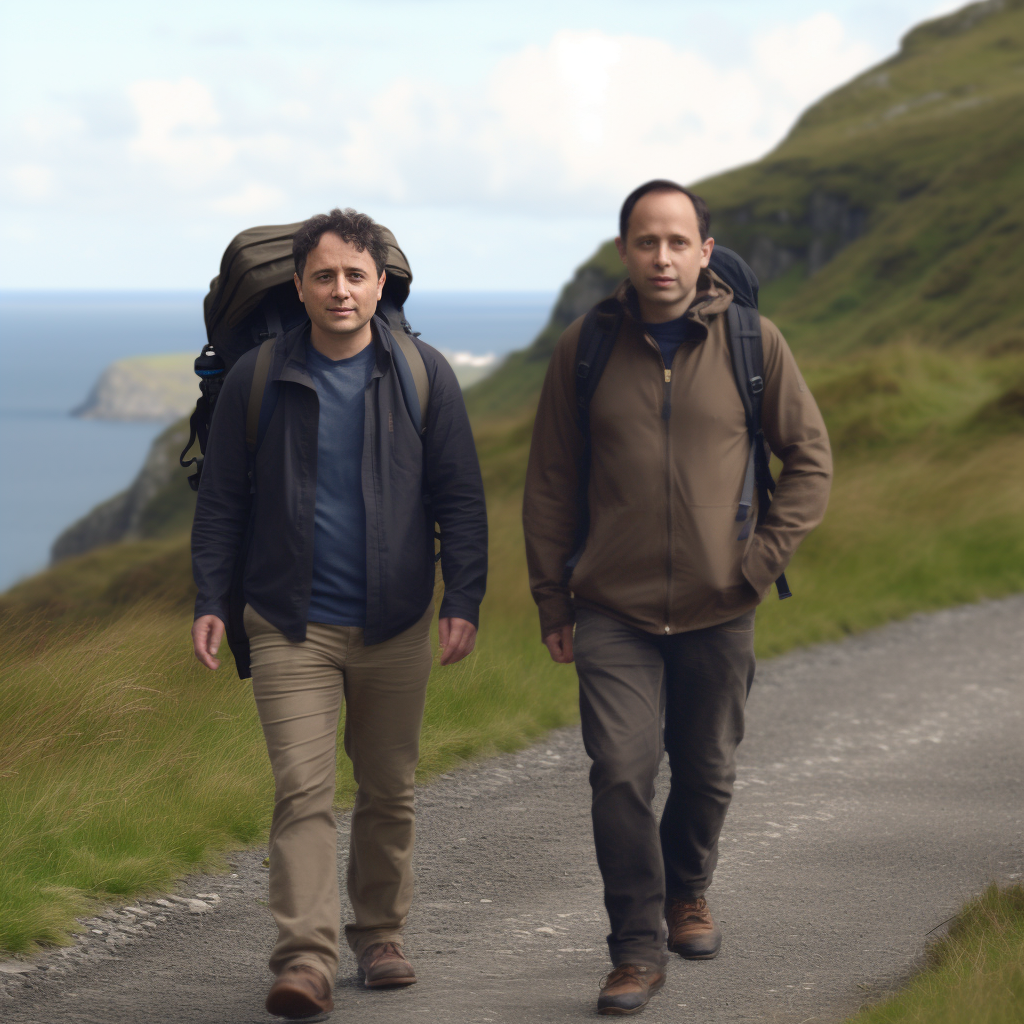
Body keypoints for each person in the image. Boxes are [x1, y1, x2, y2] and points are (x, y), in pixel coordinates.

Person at [523, 180, 832, 1015]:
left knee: (708, 770)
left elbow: (809, 462)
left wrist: (757, 563)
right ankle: (633, 949)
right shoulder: (584, 348)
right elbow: (550, 482)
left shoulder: (751, 343)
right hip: (611, 609)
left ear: (704, 250)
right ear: (624, 251)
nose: (662, 256)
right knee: (621, 771)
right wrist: (554, 600)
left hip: (720, 604)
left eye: (677, 241)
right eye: (645, 241)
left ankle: (687, 890)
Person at [190, 208, 487, 1019]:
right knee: (302, 791)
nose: (340, 289)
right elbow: (220, 504)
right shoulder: (257, 379)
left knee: (389, 790)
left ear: (379, 283)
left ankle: (381, 935)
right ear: (299, 286)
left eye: (355, 275)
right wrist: (210, 601)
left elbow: (459, 496)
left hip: (395, 621)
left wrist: (462, 597)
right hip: (289, 622)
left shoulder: (423, 373)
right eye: (323, 276)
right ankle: (306, 960)